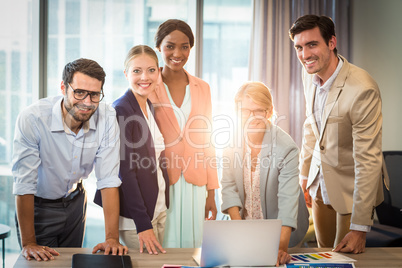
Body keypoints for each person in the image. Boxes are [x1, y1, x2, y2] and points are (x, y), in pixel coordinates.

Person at [12, 58, 128, 261]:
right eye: (79, 92)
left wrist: (111, 238)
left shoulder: (107, 117)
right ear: (63, 87)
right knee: (41, 264)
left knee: (71, 263)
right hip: (39, 207)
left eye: (94, 95)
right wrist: (29, 243)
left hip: (76, 203)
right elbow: (24, 184)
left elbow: (108, 179)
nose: (87, 102)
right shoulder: (33, 119)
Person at [289, 15, 386, 253]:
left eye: (312, 45)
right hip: (320, 183)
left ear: (331, 42)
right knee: (323, 253)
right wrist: (305, 175)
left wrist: (360, 228)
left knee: (345, 258)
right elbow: (311, 126)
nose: (305, 55)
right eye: (299, 47)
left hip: (351, 188)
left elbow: (367, 159)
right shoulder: (308, 73)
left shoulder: (362, 89)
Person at [221, 81, 309, 266]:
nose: (251, 118)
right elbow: (229, 187)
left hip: (284, 231)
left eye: (258, 111)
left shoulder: (286, 148)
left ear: (269, 112)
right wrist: (239, 233)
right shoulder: (231, 142)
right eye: (245, 111)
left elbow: (287, 200)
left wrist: (280, 247)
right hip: (248, 230)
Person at [148, 19, 219, 248]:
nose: (177, 53)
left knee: (194, 248)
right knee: (164, 247)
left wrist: (211, 192)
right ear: (159, 47)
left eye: (184, 46)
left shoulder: (203, 87)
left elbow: (208, 142)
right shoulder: (148, 85)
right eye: (170, 46)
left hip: (196, 183)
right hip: (162, 182)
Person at [94, 45, 169, 255]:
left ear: (159, 72)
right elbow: (125, 173)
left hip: (157, 207)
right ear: (126, 74)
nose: (145, 77)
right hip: (137, 218)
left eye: (151, 70)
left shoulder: (148, 106)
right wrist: (143, 224)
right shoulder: (122, 110)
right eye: (137, 71)